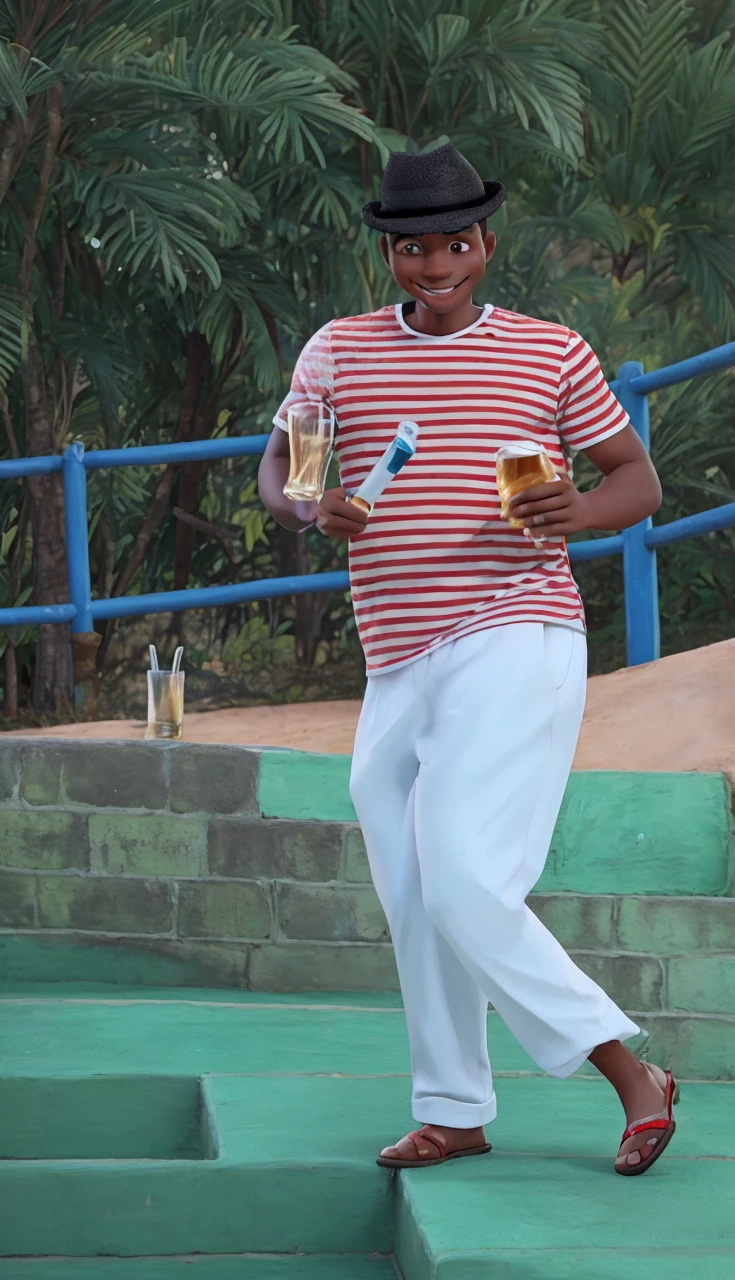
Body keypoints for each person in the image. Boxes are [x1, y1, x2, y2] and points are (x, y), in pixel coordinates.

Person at [259, 143, 676, 1176]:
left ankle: (629, 1072)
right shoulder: (338, 352)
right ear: (389, 253)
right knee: (409, 882)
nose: (433, 263)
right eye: (412, 248)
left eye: (453, 243)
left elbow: (636, 479)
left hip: (514, 624)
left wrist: (575, 506)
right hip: (394, 653)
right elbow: (287, 470)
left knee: (457, 872)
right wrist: (313, 503)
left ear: (485, 243)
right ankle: (451, 1105)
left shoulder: (549, 353)